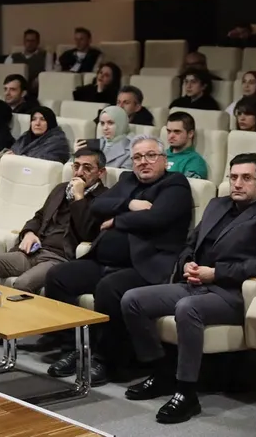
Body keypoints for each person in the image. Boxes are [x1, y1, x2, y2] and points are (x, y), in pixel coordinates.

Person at [121, 153, 256, 424]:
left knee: (187, 308)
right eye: (233, 177)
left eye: (246, 178)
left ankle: (186, 393)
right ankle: (162, 372)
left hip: (232, 295)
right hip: (195, 283)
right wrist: (188, 264)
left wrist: (216, 273)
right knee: (132, 300)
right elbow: (190, 243)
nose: (237, 183)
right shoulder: (217, 204)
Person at [43, 136, 192, 385]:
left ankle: (106, 360)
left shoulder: (175, 184)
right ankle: (74, 348)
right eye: (137, 157)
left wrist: (117, 220)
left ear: (164, 160)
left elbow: (156, 218)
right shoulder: (127, 180)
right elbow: (98, 205)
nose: (143, 162)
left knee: (109, 288)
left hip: (145, 265)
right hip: (104, 261)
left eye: (151, 156)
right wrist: (130, 204)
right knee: (58, 276)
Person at [0, 148, 109, 356]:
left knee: (22, 284)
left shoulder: (104, 198)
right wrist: (29, 232)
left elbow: (88, 231)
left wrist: (79, 198)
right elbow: (38, 217)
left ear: (100, 172)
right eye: (76, 166)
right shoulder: (60, 189)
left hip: (59, 258)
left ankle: (10, 335)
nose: (79, 172)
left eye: (87, 168)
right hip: (35, 250)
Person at [76, 105, 133, 170]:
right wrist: (77, 155)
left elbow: (124, 175)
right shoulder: (97, 144)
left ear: (121, 123)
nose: (105, 128)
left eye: (110, 123)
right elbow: (72, 169)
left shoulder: (132, 149)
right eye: (102, 123)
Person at [165, 111, 209, 179]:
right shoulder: (160, 154)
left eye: (177, 132)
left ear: (190, 134)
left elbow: (185, 184)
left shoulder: (195, 161)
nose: (171, 136)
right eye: (169, 131)